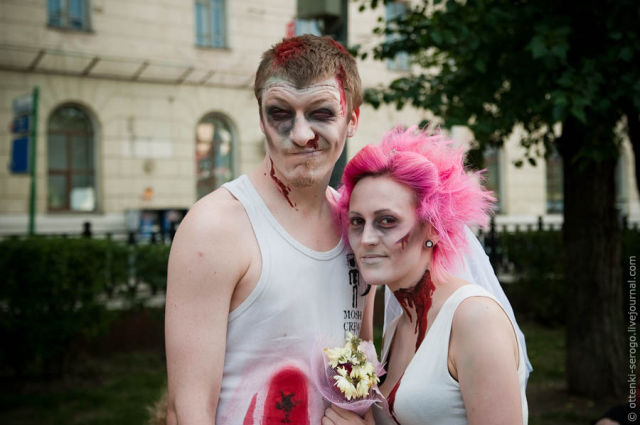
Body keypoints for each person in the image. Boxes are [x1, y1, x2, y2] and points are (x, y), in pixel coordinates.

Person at [165, 35, 375, 425]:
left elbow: (359, 357)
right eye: (280, 113)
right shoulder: (216, 227)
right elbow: (188, 409)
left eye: (321, 113)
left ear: (352, 120)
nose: (301, 134)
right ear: (261, 120)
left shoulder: (359, 228)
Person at [324, 126, 529, 424]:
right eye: (357, 221)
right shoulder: (397, 327)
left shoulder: (474, 319)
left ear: (432, 228)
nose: (366, 238)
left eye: (386, 220)